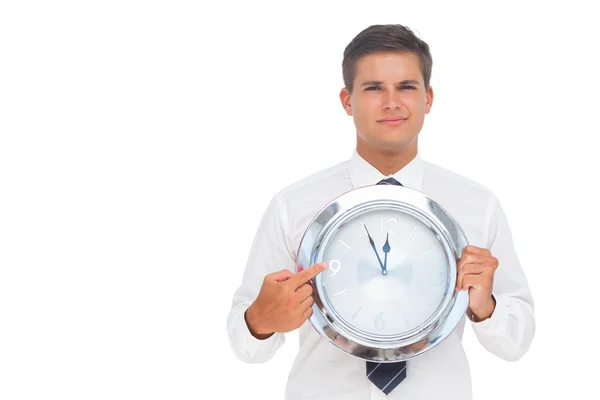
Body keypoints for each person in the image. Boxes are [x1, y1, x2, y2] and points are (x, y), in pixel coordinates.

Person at [226, 24, 535, 399]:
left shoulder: (477, 204)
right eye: (373, 88)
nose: (392, 102)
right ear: (347, 100)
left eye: (406, 87)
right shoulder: (293, 205)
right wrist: (260, 321)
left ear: (428, 98)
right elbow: (245, 345)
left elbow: (516, 343)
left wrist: (485, 307)